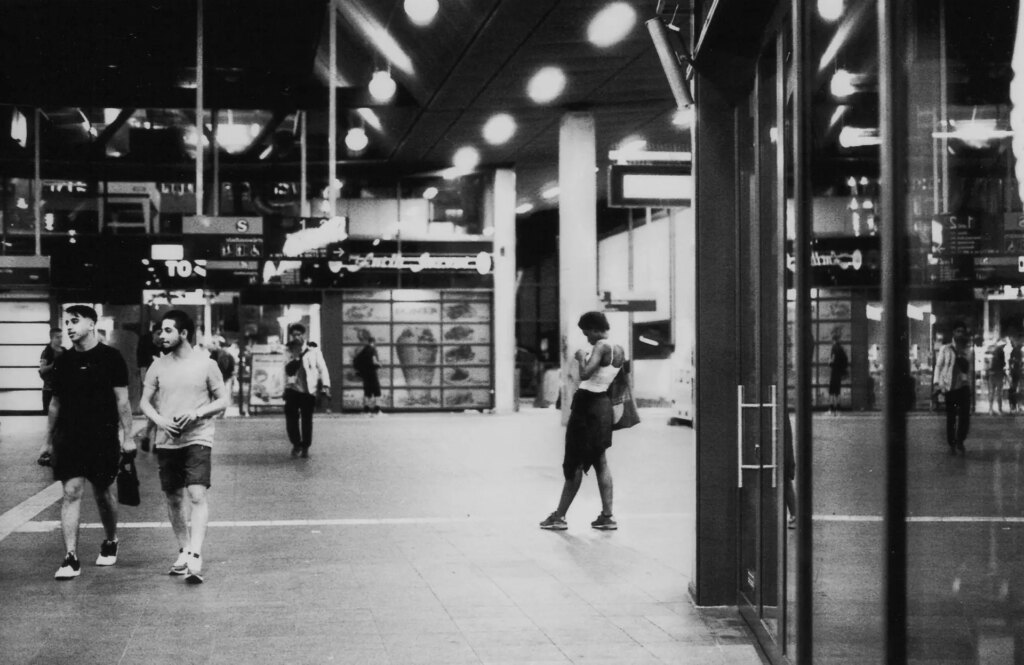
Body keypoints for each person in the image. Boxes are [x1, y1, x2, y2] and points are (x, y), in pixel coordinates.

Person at [43, 305, 134, 580]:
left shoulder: (111, 358)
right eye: (66, 322)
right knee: (71, 492)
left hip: (102, 435)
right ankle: (70, 557)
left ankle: (111, 539)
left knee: (103, 493)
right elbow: (55, 404)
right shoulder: (63, 361)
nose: (69, 327)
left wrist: (128, 437)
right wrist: (47, 441)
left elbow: (123, 401)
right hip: (69, 437)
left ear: (92, 324)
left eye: (74, 321)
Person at [140, 310, 229, 584]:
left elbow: (223, 401)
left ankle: (196, 553)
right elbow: (144, 402)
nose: (162, 336)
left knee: (196, 494)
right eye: (161, 331)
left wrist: (197, 414)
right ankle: (184, 549)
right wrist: (160, 421)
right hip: (167, 440)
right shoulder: (157, 365)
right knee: (173, 497)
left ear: (184, 333)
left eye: (168, 330)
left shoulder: (206, 364)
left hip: (198, 437)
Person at [539, 311, 624, 532]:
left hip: (587, 407)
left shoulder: (601, 346)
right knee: (600, 461)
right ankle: (607, 516)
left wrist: (579, 357)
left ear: (596, 329)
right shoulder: (619, 349)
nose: (587, 338)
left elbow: (585, 374)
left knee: (574, 462)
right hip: (603, 406)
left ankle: (559, 516)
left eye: (587, 333)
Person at [283, 323, 331, 458]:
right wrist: (283, 388)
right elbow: (283, 371)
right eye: (294, 335)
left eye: (299, 334)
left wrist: (326, 384)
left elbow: (322, 368)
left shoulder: (313, 350)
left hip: (309, 390)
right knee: (291, 419)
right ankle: (296, 443)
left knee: (306, 419)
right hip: (292, 389)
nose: (296, 337)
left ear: (303, 335)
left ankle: (305, 446)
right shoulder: (287, 350)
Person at [933, 320, 975, 456]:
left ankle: (960, 441)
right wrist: (937, 383)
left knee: (965, 418)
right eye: (958, 331)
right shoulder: (945, 349)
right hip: (950, 388)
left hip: (964, 388)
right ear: (953, 333)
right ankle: (951, 443)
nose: (960, 334)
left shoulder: (969, 350)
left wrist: (972, 388)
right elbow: (939, 366)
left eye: (962, 332)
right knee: (951, 418)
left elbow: (970, 370)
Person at [36, 328, 65, 465]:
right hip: (49, 390)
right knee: (51, 423)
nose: (60, 339)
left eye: (61, 336)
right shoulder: (47, 352)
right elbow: (42, 369)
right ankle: (48, 452)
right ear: (52, 338)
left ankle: (57, 452)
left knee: (61, 422)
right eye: (57, 337)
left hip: (63, 391)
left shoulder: (64, 351)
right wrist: (54, 365)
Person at [353, 336, 382, 415]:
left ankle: (366, 409)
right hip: (372, 373)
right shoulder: (372, 350)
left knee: (367, 391)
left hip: (365, 374)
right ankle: (377, 409)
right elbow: (374, 361)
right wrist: (379, 364)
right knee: (377, 391)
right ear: (373, 342)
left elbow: (356, 361)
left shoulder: (363, 351)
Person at [209, 336, 236, 418]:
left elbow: (225, 367)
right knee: (221, 395)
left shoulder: (223, 354)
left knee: (221, 395)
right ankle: (220, 412)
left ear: (219, 345)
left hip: (222, 378)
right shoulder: (216, 354)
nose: (212, 345)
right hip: (222, 378)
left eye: (214, 343)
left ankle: (221, 412)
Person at [827, 330, 849, 416]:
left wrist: (829, 362)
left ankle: (832, 409)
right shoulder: (841, 348)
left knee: (832, 391)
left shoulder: (834, 348)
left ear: (833, 340)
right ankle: (838, 409)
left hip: (834, 371)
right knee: (837, 391)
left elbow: (832, 359)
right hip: (839, 372)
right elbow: (845, 361)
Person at [987, 337, 1007, 415]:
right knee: (999, 392)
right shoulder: (1001, 351)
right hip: (998, 374)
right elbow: (1002, 363)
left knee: (992, 392)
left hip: (992, 374)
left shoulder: (993, 351)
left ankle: (990, 409)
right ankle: (999, 409)